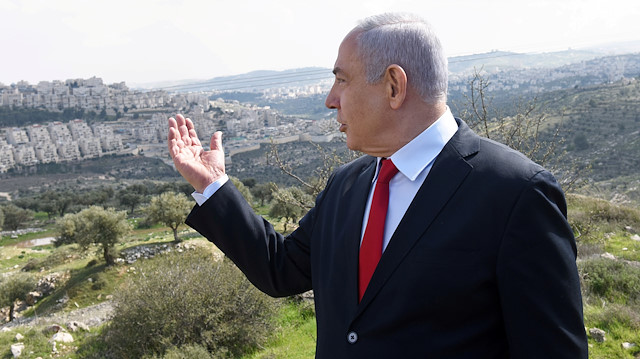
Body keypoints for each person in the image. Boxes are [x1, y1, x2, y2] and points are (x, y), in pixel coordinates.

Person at [168, 12, 588, 358]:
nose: (331, 99)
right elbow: (282, 270)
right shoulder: (346, 185)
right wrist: (213, 186)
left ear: (393, 85)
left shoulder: (516, 193)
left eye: (342, 80)